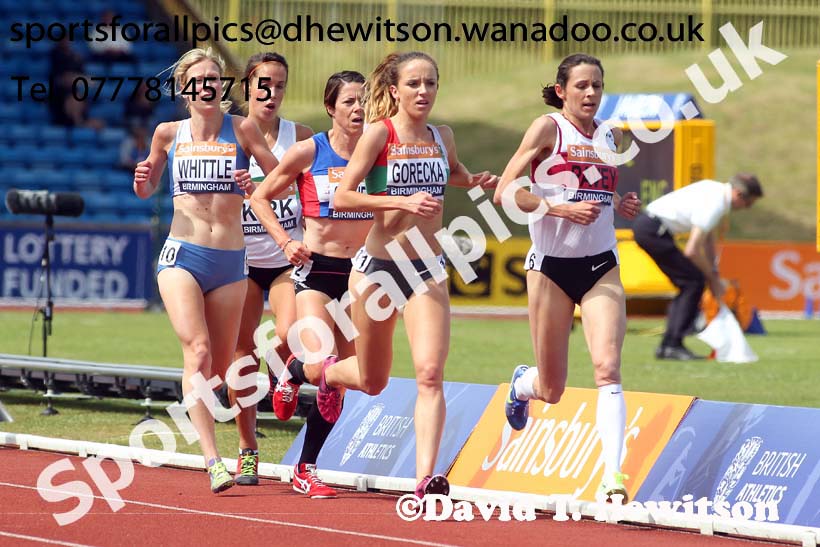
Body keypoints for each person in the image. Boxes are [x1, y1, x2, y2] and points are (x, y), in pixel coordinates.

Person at [293, 51, 496, 499]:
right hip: (376, 272)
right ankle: (322, 374)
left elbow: (454, 173)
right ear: (394, 91)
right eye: (414, 84)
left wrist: (479, 179)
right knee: (373, 380)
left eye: (431, 84)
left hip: (427, 269)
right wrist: (400, 203)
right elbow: (344, 196)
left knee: (429, 372)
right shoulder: (377, 135)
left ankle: (426, 478)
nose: (423, 92)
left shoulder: (443, 136)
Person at [492, 53, 641, 502]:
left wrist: (620, 200)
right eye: (581, 86)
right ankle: (523, 384)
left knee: (607, 368)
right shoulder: (547, 129)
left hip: (601, 265)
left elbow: (594, 187)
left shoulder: (609, 134)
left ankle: (612, 478)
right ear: (561, 90)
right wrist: (557, 208)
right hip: (551, 269)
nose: (591, 93)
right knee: (552, 390)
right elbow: (504, 192)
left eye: (597, 85)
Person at [132, 47, 277, 493]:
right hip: (183, 255)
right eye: (199, 80)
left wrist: (257, 185)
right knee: (196, 352)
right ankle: (213, 460)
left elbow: (282, 177)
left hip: (231, 261)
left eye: (215, 78)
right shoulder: (167, 133)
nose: (208, 86)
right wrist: (142, 180)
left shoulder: (243, 128)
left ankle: (242, 445)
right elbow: (146, 187)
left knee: (216, 369)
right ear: (185, 88)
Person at [250, 70, 372, 498]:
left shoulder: (378, 151)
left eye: (363, 101)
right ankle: (295, 377)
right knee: (326, 361)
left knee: (351, 377)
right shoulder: (309, 151)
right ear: (331, 108)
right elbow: (260, 197)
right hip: (317, 271)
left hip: (361, 275)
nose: (359, 109)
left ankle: (293, 377)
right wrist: (285, 241)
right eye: (350, 102)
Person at [227, 52, 313, 486]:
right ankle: (247, 449)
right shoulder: (225, 133)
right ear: (247, 86)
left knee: (287, 334)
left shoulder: (300, 137)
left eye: (279, 85)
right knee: (242, 354)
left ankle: (283, 378)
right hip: (238, 259)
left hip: (284, 257)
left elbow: (317, 187)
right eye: (263, 84)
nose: (271, 93)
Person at [632, 173, 763, 360]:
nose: (745, 209)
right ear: (739, 194)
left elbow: (707, 240)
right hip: (653, 230)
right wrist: (712, 280)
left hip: (650, 226)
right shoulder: (716, 203)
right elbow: (692, 250)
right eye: (748, 204)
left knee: (690, 282)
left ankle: (669, 344)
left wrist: (714, 274)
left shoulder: (715, 191)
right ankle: (672, 345)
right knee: (692, 282)